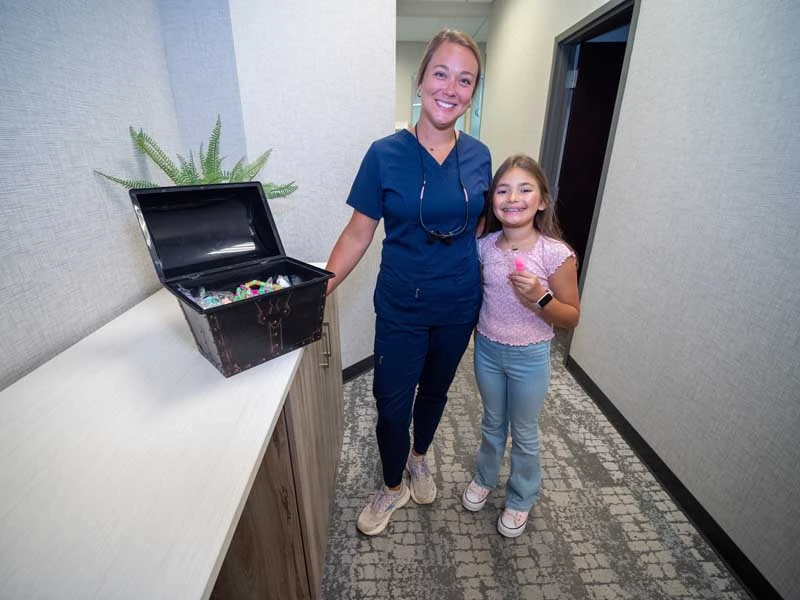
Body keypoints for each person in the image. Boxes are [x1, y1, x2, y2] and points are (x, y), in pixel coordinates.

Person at [325, 29, 491, 536]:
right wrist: (319, 288)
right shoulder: (384, 154)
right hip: (402, 305)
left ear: (473, 93)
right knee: (391, 405)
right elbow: (357, 233)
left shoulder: (480, 156)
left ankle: (420, 458)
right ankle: (392, 484)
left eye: (465, 80)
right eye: (441, 73)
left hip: (459, 303)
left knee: (435, 393)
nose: (450, 88)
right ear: (420, 81)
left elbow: (480, 227)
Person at [461, 154, 580, 538]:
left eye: (525, 189)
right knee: (492, 422)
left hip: (530, 356)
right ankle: (485, 477)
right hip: (487, 350)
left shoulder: (554, 254)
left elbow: (571, 316)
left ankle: (522, 496)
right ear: (492, 200)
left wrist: (541, 297)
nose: (513, 198)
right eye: (503, 190)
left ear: (542, 200)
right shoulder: (484, 247)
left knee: (524, 431)